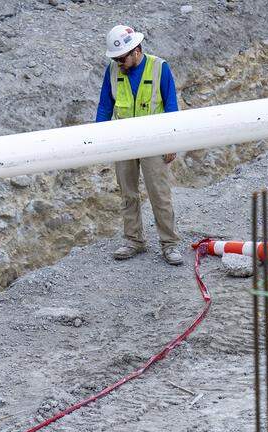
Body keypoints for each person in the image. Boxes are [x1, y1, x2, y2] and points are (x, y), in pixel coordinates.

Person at [96, 24, 184, 266]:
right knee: (128, 194)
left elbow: (172, 107)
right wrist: (98, 139)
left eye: (121, 57)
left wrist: (172, 141)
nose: (118, 63)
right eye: (115, 58)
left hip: (155, 141)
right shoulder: (113, 70)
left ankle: (169, 244)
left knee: (160, 194)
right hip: (124, 142)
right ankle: (133, 240)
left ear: (136, 50)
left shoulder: (159, 67)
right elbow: (105, 106)